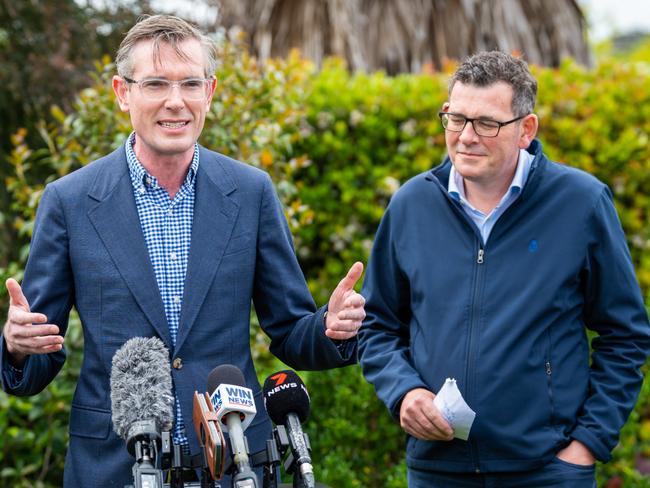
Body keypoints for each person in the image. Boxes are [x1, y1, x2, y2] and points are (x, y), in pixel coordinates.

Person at [0, 15, 365, 488]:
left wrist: (331, 329)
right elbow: (37, 360)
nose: (176, 101)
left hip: (235, 465)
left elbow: (290, 330)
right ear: (122, 92)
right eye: (155, 84)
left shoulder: (250, 191)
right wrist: (16, 346)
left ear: (209, 92)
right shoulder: (70, 202)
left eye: (190, 83)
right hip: (112, 467)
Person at [358, 50, 650, 487]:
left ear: (525, 130)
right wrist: (404, 392)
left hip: (548, 471)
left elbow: (626, 335)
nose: (466, 137)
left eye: (487, 124)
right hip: (439, 470)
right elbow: (377, 324)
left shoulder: (580, 203)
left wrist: (586, 444)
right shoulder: (411, 205)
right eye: (455, 119)